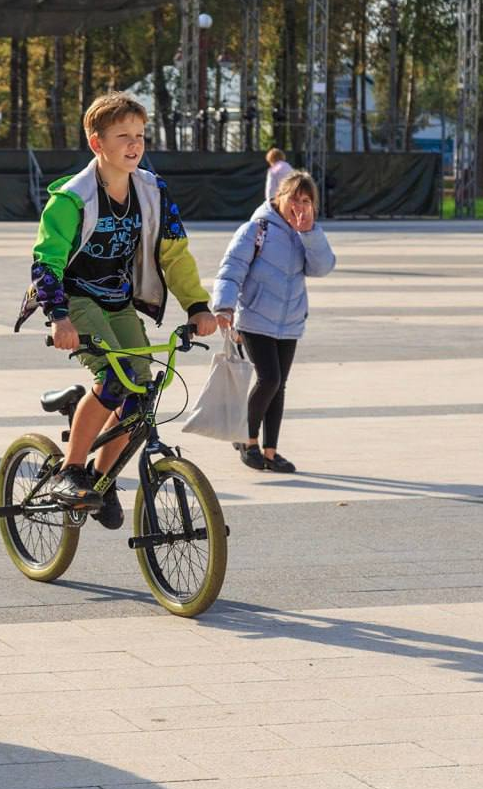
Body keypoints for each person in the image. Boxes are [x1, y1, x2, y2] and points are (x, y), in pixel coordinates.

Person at [30, 92, 217, 525]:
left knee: (143, 391)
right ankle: (70, 469)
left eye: (140, 136)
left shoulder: (153, 191)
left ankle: (100, 478)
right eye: (123, 136)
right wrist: (58, 317)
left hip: (117, 301)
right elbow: (47, 262)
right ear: (97, 144)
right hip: (75, 298)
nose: (134, 145)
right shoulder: (71, 199)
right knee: (114, 378)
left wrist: (197, 306)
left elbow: (174, 254)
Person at [211, 170, 336, 473]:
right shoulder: (256, 229)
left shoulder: (304, 233)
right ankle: (247, 439)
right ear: (279, 197)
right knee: (270, 379)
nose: (299, 206)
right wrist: (224, 306)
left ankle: (270, 451)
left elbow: (322, 268)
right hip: (254, 319)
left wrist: (310, 233)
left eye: (306, 201)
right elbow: (231, 269)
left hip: (289, 321)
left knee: (279, 386)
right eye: (294, 198)